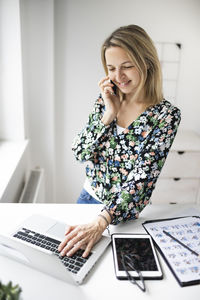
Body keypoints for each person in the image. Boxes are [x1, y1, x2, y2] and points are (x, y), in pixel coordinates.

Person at [58, 24, 181, 258]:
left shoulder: (166, 116)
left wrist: (102, 221)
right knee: (73, 266)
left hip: (123, 215)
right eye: (112, 68)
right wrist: (109, 113)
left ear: (146, 63)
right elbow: (79, 153)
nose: (118, 77)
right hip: (87, 201)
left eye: (127, 67)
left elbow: (142, 179)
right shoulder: (107, 99)